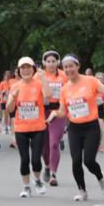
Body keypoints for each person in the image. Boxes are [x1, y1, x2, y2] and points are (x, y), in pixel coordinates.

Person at [49, 55, 104, 201]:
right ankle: (82, 191)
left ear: (78, 66)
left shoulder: (90, 81)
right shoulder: (64, 89)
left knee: (88, 161)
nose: (69, 69)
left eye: (71, 66)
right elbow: (63, 111)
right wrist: (55, 113)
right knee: (76, 161)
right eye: (66, 67)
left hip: (91, 127)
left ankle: (101, 178)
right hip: (74, 128)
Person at [6, 57, 51, 197]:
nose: (26, 70)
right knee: (24, 159)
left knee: (36, 160)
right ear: (19, 71)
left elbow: (48, 97)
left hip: (38, 127)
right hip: (21, 129)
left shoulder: (38, 84)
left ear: (33, 69)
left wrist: (43, 78)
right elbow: (9, 108)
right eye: (23, 68)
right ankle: (26, 187)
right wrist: (13, 97)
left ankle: (37, 180)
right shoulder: (15, 86)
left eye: (28, 67)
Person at [40, 49, 67, 186]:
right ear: (44, 63)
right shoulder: (38, 76)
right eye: (48, 61)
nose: (51, 64)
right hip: (42, 112)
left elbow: (71, 90)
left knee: (54, 143)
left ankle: (53, 173)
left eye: (53, 61)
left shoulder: (64, 76)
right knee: (44, 146)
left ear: (58, 62)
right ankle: (47, 166)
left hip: (58, 112)